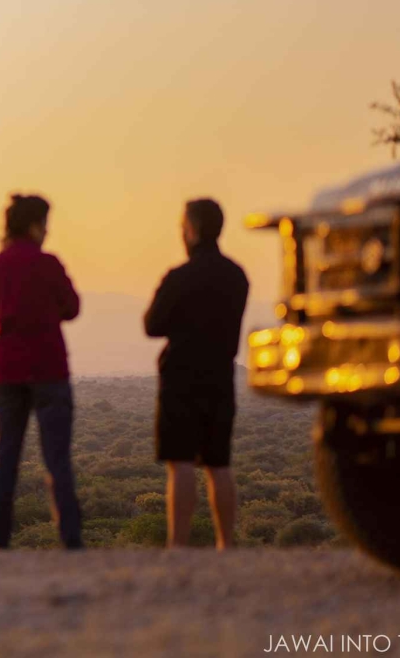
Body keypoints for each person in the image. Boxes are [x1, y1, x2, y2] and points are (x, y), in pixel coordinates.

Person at [143, 197, 250, 550]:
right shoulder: (237, 276)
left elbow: (153, 324)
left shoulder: (179, 278)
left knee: (181, 461)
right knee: (219, 462)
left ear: (191, 230)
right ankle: (226, 543)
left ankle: (178, 546)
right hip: (221, 375)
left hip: (180, 377)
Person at [0, 193, 83, 550]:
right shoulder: (48, 264)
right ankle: (71, 542)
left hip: (7, 369)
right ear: (34, 225)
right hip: (48, 367)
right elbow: (72, 308)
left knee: (5, 457)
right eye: (45, 224)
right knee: (57, 459)